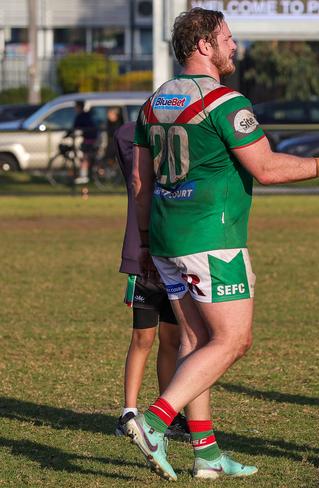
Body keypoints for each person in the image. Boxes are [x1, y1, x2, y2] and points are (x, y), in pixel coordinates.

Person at [126, 8, 319, 482]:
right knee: (232, 340)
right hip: (213, 239)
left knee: (195, 340)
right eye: (227, 37)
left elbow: (141, 182)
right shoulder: (226, 102)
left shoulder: (152, 103)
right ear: (203, 45)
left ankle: (205, 453)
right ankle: (156, 421)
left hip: (165, 238)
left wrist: (143, 244)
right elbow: (266, 168)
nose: (234, 45)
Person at [113, 121, 190, 442]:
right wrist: (158, 124)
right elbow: (124, 134)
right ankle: (128, 412)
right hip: (143, 262)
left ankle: (167, 413)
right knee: (142, 338)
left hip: (176, 260)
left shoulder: (182, 171)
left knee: (172, 340)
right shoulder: (140, 166)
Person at [68, 100, 98, 185]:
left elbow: (74, 128)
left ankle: (84, 176)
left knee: (85, 156)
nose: (75, 109)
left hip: (89, 138)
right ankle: (86, 174)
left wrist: (67, 135)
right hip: (91, 137)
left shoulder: (80, 116)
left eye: (76, 107)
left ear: (79, 107)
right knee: (85, 155)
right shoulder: (87, 115)